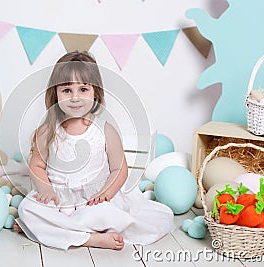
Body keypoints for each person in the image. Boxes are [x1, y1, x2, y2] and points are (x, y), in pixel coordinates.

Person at [14, 51, 175, 250]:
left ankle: (59, 230)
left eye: (83, 89)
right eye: (66, 90)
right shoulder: (48, 130)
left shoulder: (105, 130)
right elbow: (37, 166)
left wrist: (105, 194)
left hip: (93, 200)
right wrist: (47, 191)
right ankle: (91, 238)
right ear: (55, 93)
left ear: (95, 93)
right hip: (59, 198)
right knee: (27, 208)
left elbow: (119, 169)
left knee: (105, 213)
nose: (74, 97)